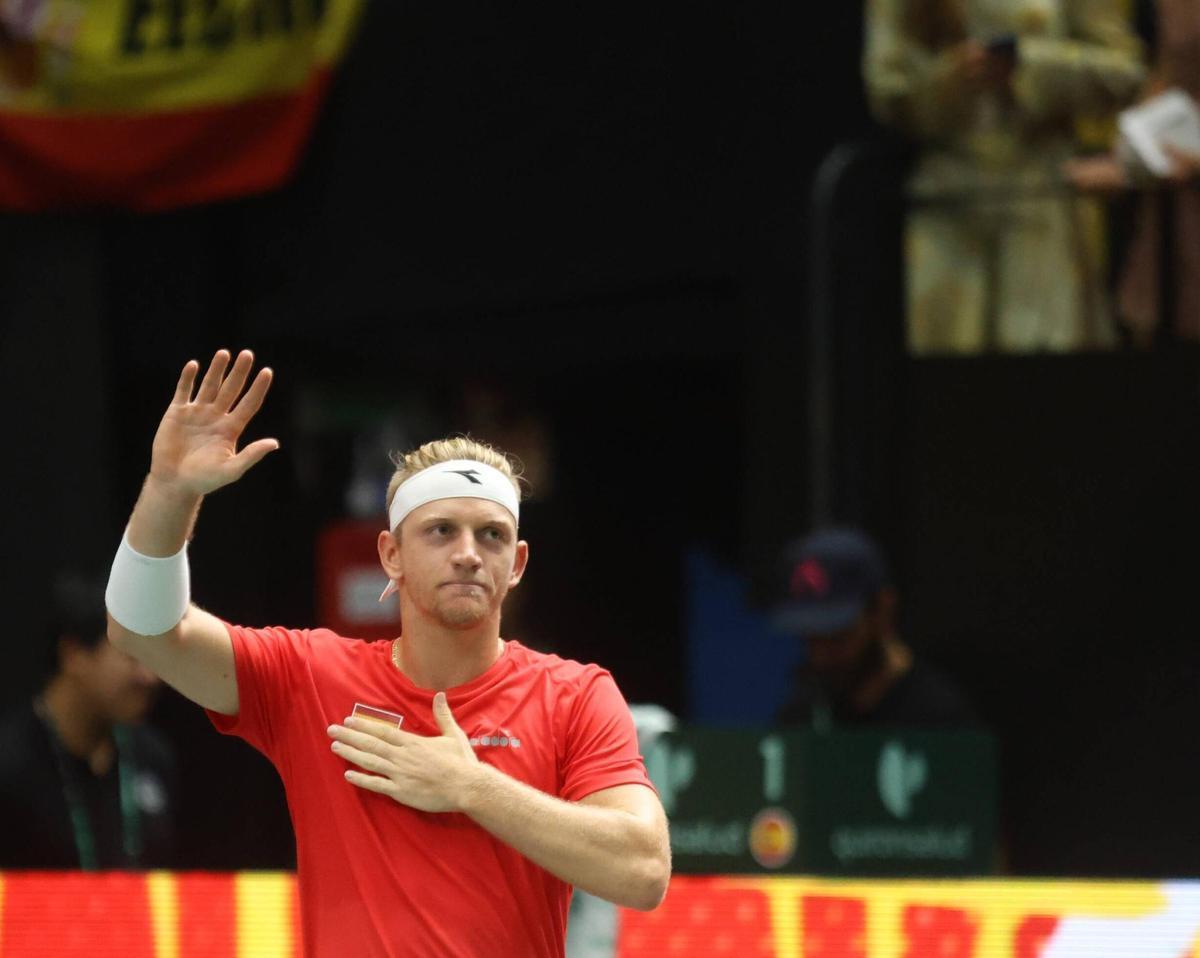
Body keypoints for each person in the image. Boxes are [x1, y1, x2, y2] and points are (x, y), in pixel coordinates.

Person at [104, 349, 670, 958]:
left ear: (517, 565)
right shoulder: (310, 675)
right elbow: (141, 630)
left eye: (492, 535)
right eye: (440, 530)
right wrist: (170, 489)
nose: (468, 553)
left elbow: (642, 871)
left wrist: (472, 787)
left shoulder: (576, 694)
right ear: (390, 555)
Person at [864, 0, 1145, 353]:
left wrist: (1026, 61)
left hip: (1042, 200)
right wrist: (950, 77)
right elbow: (886, 88)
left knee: (1048, 382)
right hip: (948, 207)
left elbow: (1126, 72)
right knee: (946, 383)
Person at [0, 573, 177, 869]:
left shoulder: (153, 758)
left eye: (152, 658)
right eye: (132, 657)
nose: (150, 677)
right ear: (74, 655)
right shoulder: (10, 767)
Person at [772, 528, 975, 728]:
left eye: (837, 637)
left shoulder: (939, 719)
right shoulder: (803, 716)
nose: (820, 656)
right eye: (810, 639)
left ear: (882, 611)